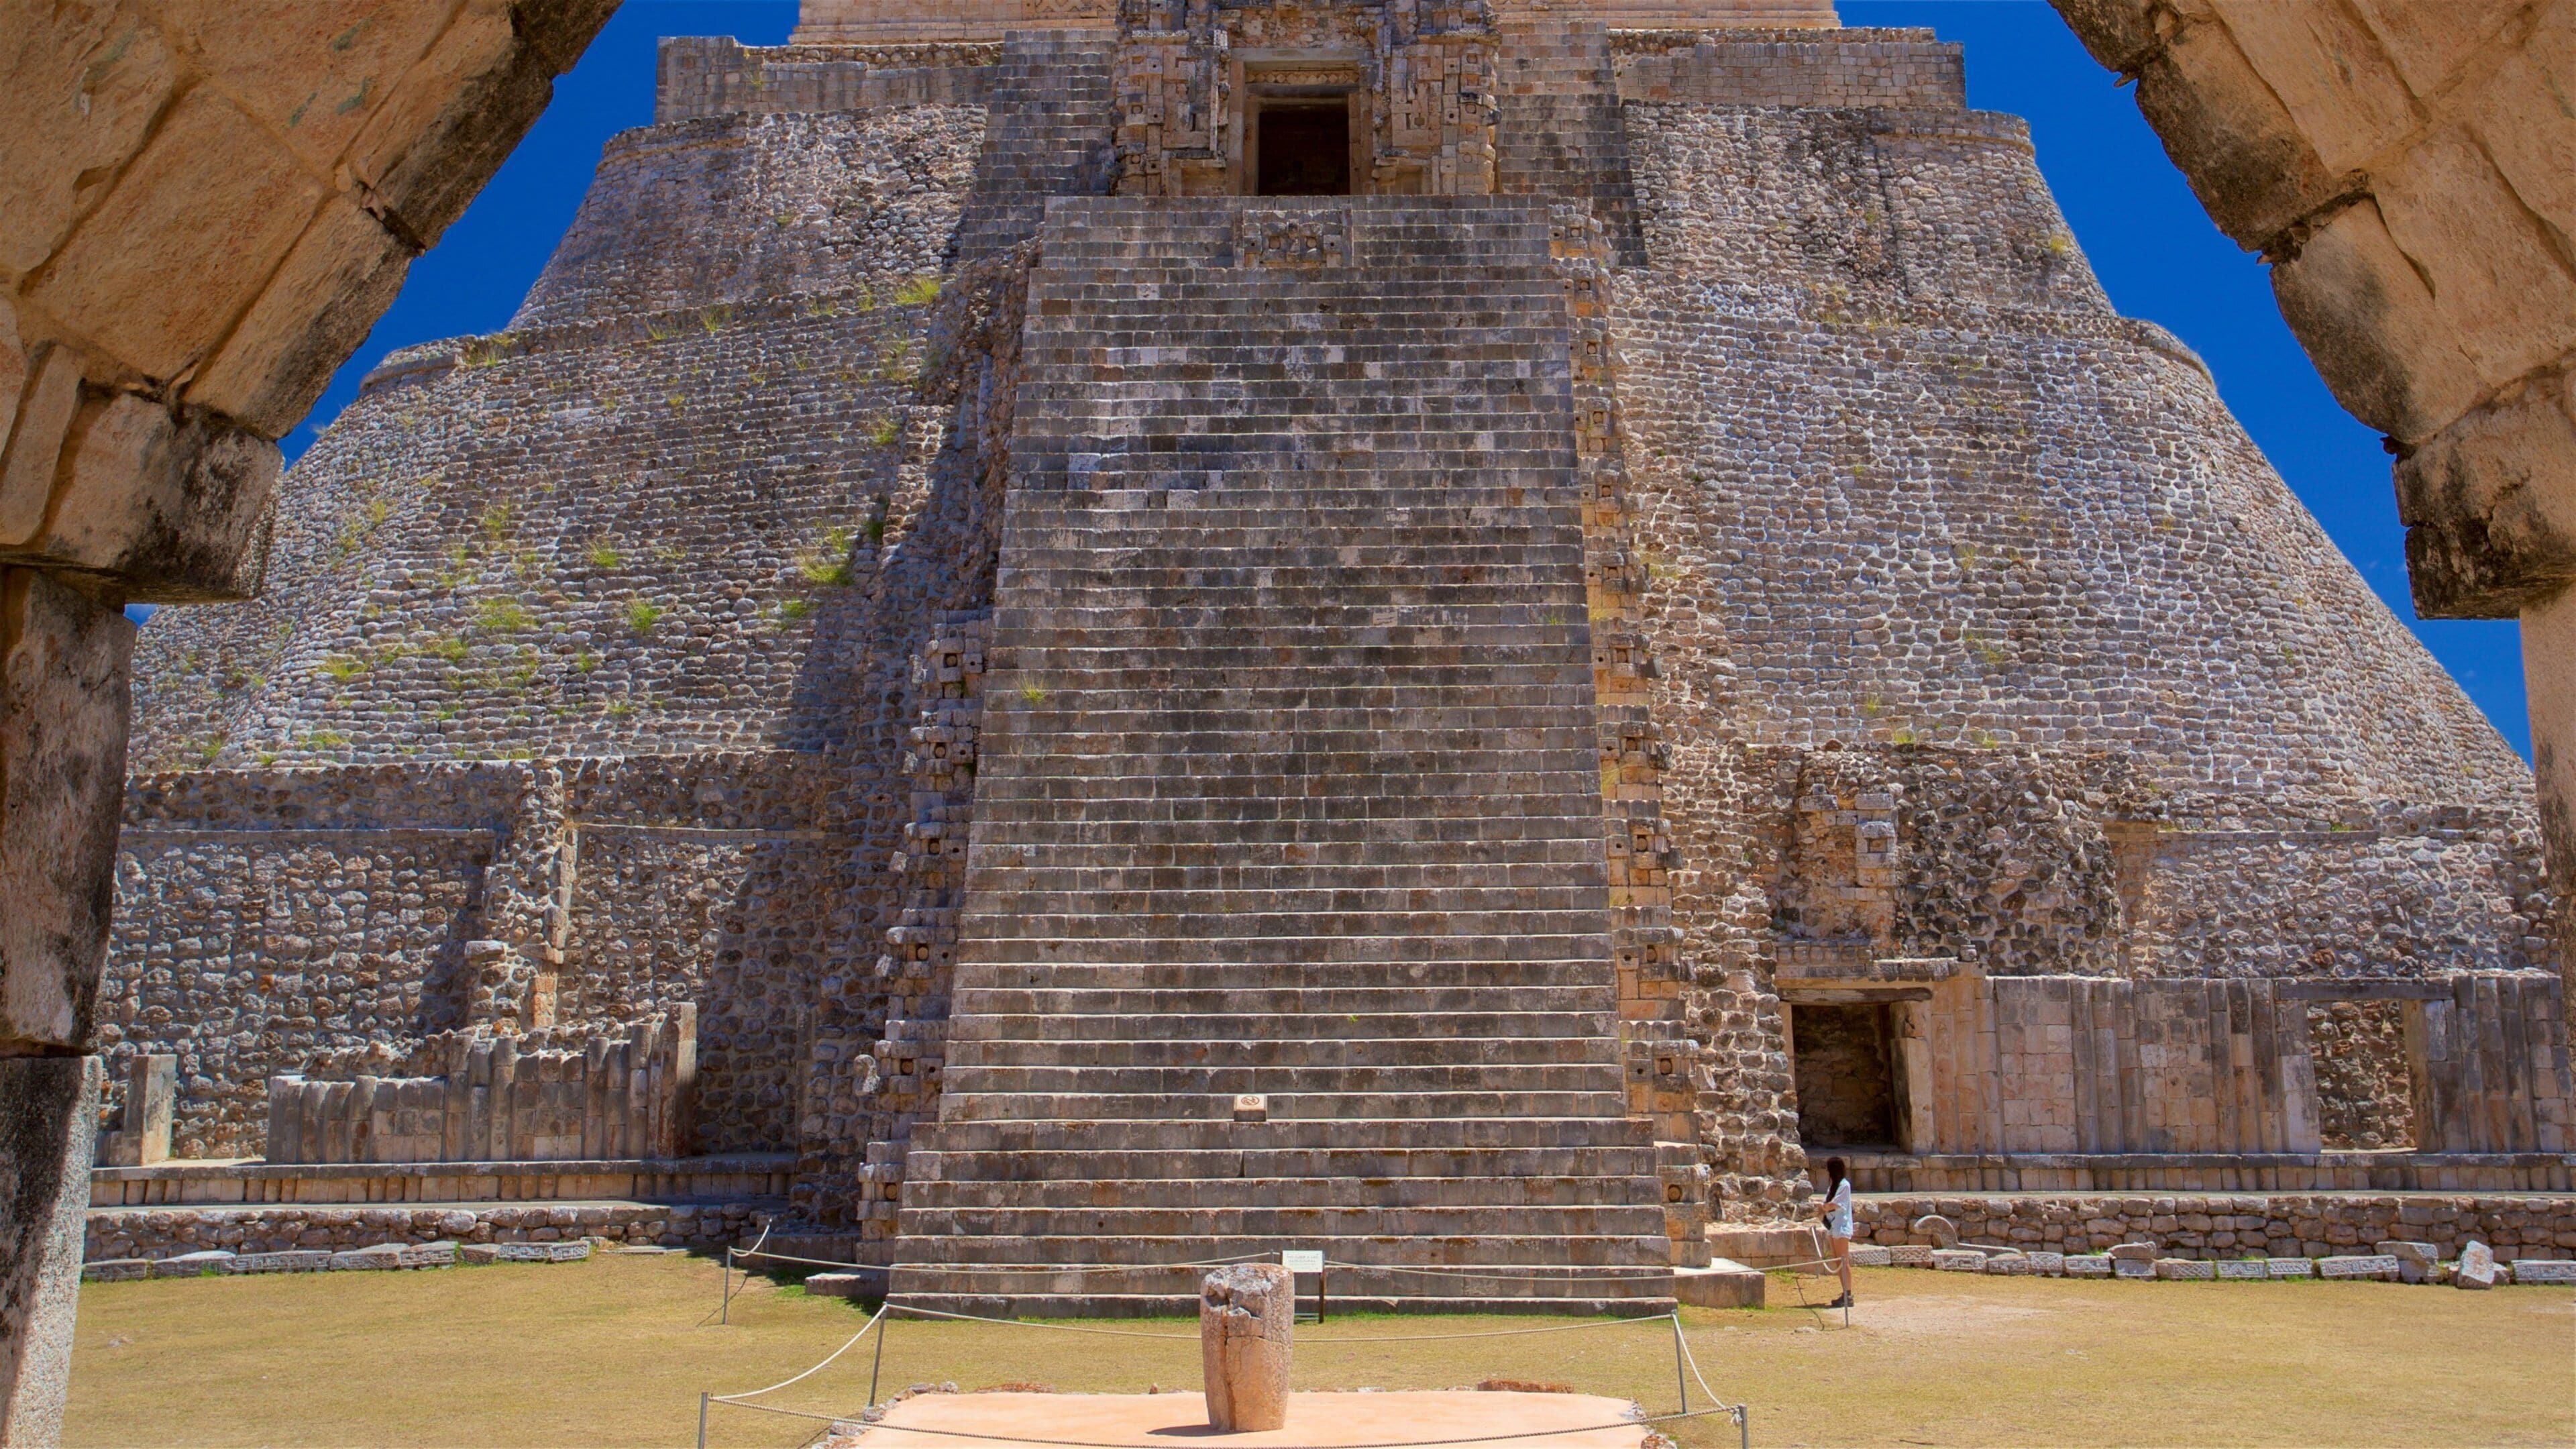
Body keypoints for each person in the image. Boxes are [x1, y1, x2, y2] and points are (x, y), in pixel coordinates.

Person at [1816, 1156, 1855, 1309]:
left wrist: (1823, 1208)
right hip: (1833, 1227)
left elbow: (1834, 1204)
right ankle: (1844, 1292)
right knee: (1838, 1261)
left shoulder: (1845, 1185)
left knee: (1843, 1261)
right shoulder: (1833, 1186)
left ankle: (1849, 1294)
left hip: (1841, 1227)